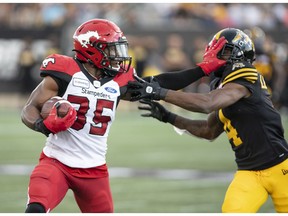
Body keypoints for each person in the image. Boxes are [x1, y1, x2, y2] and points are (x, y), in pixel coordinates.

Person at [20, 18, 227, 213]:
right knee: (36, 209)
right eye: (111, 49)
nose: (117, 55)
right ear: (92, 49)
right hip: (56, 161)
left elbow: (160, 82)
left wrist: (203, 69)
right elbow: (29, 108)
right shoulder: (65, 71)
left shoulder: (119, 80)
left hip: (94, 169)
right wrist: (41, 125)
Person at [127, 28, 288, 213]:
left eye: (224, 51)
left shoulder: (247, 76)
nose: (216, 56)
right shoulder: (227, 91)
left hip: (281, 169)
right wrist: (168, 117)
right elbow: (208, 130)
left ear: (239, 54)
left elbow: (207, 103)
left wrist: (158, 92)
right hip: (248, 172)